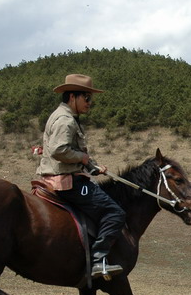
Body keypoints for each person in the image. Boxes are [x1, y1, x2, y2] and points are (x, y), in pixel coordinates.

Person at [37, 74, 126, 279]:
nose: (89, 103)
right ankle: (98, 260)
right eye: (86, 98)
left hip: (66, 175)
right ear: (72, 97)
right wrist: (85, 159)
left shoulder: (65, 117)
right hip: (66, 182)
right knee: (115, 213)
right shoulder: (65, 120)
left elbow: (69, 154)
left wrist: (92, 167)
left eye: (90, 98)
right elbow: (60, 150)